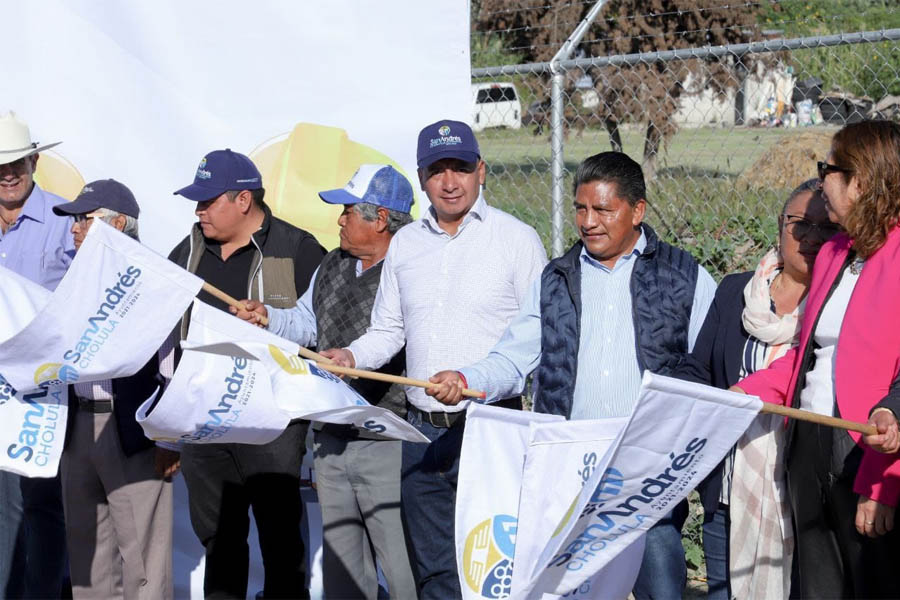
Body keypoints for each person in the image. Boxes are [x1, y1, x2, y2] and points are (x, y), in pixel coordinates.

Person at [428, 151, 717, 600]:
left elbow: (709, 368)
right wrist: (465, 380)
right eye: (581, 209)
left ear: (637, 210)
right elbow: (510, 360)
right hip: (570, 473)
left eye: (603, 209)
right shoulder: (556, 280)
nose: (588, 221)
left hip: (644, 475)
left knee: (662, 587)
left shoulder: (685, 277)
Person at [321, 120, 547, 599]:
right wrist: (350, 353)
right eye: (438, 170)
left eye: (461, 168)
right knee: (435, 575)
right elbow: (389, 329)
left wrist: (471, 378)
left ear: (481, 171)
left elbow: (536, 338)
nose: (450, 181)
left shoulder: (517, 240)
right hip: (419, 432)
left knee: (493, 574)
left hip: (490, 427)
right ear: (422, 177)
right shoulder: (406, 243)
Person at [231, 164, 417, 599]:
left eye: (348, 211)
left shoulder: (413, 269)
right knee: (343, 570)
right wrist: (269, 318)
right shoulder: (333, 263)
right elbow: (306, 323)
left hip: (386, 440)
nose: (340, 220)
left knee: (403, 567)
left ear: (382, 219)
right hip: (331, 437)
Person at [732, 120, 900, 598]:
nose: (821, 180)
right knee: (817, 586)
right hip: (809, 444)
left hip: (867, 452)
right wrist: (743, 392)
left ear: (861, 182)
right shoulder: (835, 254)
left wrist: (884, 484)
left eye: (830, 169)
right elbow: (807, 357)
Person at [168, 148, 325, 599]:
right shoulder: (189, 250)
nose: (199, 211)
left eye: (207, 200)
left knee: (280, 539)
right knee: (219, 538)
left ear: (242, 200)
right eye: (196, 202)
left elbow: (317, 330)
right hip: (205, 418)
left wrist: (271, 320)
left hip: (270, 419)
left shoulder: (296, 248)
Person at [678, 179, 837, 599]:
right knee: (721, 590)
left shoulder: (837, 308)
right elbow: (700, 368)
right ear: (779, 226)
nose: (811, 238)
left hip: (798, 496)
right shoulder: (735, 291)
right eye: (799, 224)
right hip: (728, 486)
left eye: (826, 228)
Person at [52, 179, 181, 599]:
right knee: (86, 556)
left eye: (84, 220)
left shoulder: (153, 279)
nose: (74, 229)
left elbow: (171, 365)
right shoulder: (72, 280)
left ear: (119, 223)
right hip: (76, 427)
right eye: (74, 221)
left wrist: (169, 436)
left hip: (133, 430)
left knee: (143, 558)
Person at [0, 111, 74, 599]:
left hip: (40, 388)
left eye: (16, 165)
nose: (8, 175)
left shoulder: (67, 219)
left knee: (41, 503)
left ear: (35, 161)